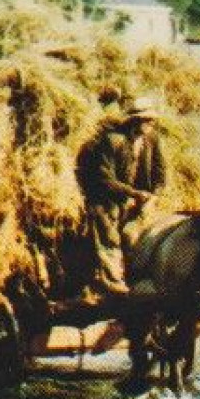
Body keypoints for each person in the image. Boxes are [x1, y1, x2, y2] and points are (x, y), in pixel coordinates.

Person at [76, 97, 167, 302]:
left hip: (140, 201)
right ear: (135, 121)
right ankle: (113, 286)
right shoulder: (112, 141)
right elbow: (104, 179)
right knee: (109, 236)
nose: (150, 124)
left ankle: (139, 278)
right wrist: (133, 194)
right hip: (108, 199)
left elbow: (161, 174)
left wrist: (154, 196)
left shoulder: (152, 139)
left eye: (151, 120)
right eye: (146, 120)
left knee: (143, 236)